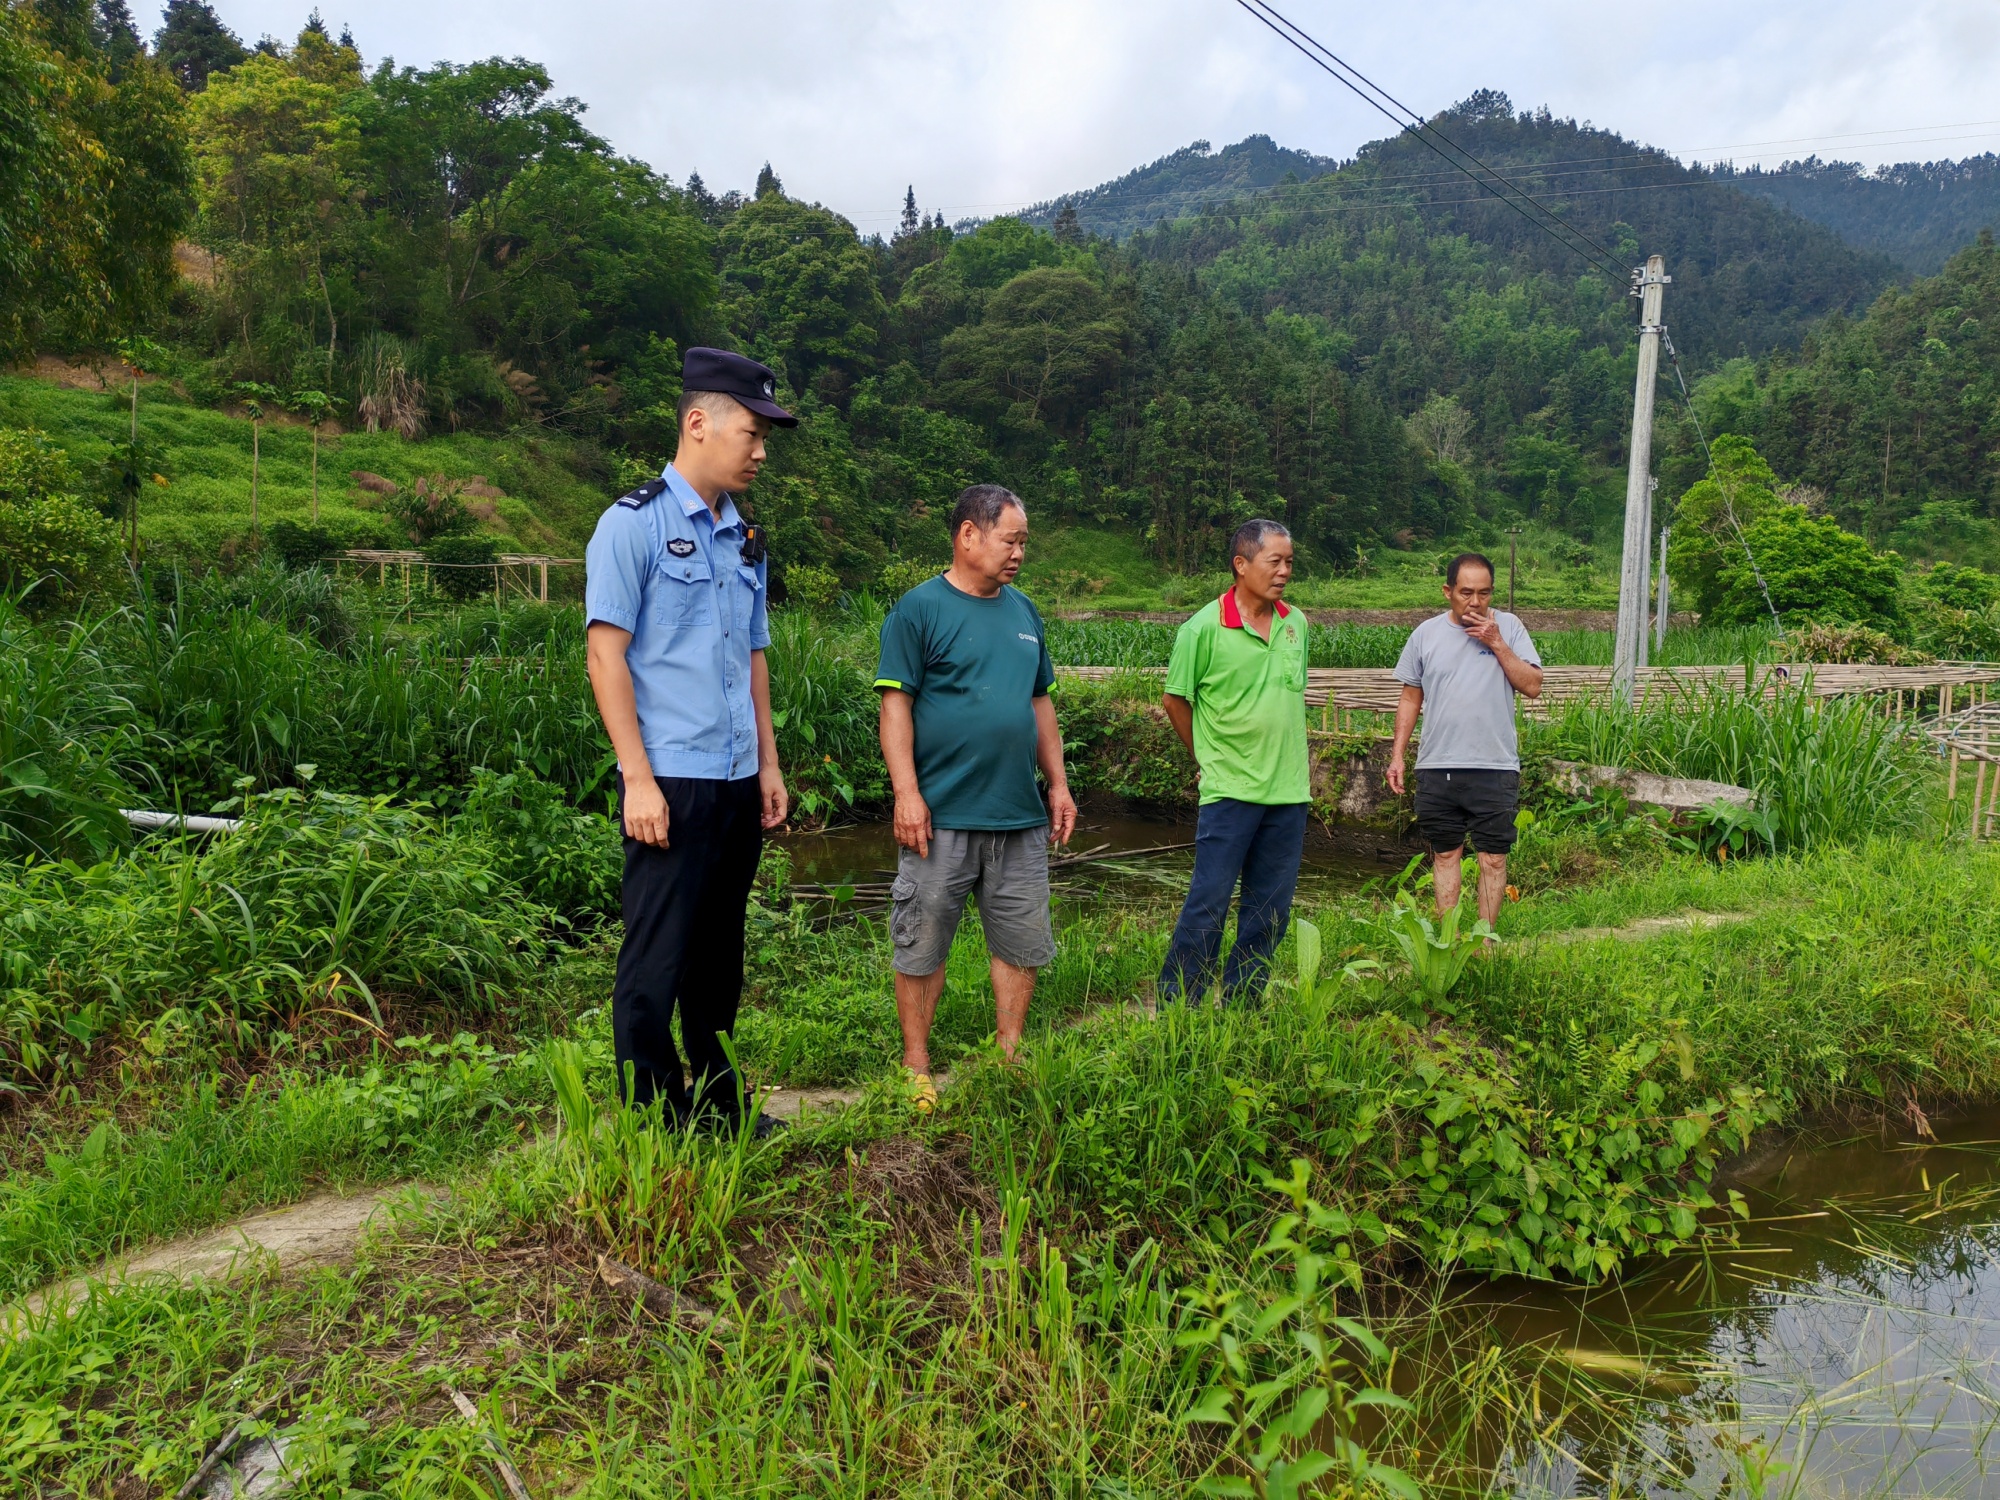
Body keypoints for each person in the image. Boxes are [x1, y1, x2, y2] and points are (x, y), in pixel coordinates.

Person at [584, 347, 794, 1134]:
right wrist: (636, 779)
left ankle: (718, 1109)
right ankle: (655, 1122)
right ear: (698, 424)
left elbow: (754, 657)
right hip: (669, 778)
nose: (762, 450)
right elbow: (606, 655)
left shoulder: (746, 538)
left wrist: (769, 765)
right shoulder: (630, 525)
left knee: (717, 961)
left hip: (737, 780)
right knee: (655, 965)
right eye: (753, 431)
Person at [874, 485, 1078, 1110]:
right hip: (941, 815)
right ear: (968, 536)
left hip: (1018, 814)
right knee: (923, 939)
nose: (1019, 553)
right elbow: (895, 704)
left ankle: (1009, 1052)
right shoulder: (918, 610)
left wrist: (1060, 783)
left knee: (1020, 941)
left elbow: (1039, 701)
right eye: (1009, 540)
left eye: (1023, 542)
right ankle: (916, 1064)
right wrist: (906, 793)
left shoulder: (1025, 613)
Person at [1156, 519, 1312, 1006]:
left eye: (1289, 562)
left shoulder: (1296, 624)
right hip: (1229, 791)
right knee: (1209, 904)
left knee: (1270, 910)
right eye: (1275, 561)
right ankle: (1180, 1003)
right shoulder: (1201, 629)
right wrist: (1203, 756)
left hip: (1288, 793)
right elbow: (1175, 700)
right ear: (1241, 565)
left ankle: (1244, 1003)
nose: (1284, 571)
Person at [1386, 552, 1543, 924]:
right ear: (1448, 591)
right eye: (1466, 592)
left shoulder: (1510, 627)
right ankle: (1449, 939)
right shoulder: (1426, 634)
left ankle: (1484, 942)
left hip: (1494, 764)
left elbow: (1533, 686)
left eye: (1485, 593)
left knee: (1493, 857)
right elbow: (1410, 697)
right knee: (1445, 854)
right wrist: (1397, 756)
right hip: (1438, 764)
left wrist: (1497, 643)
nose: (1475, 602)